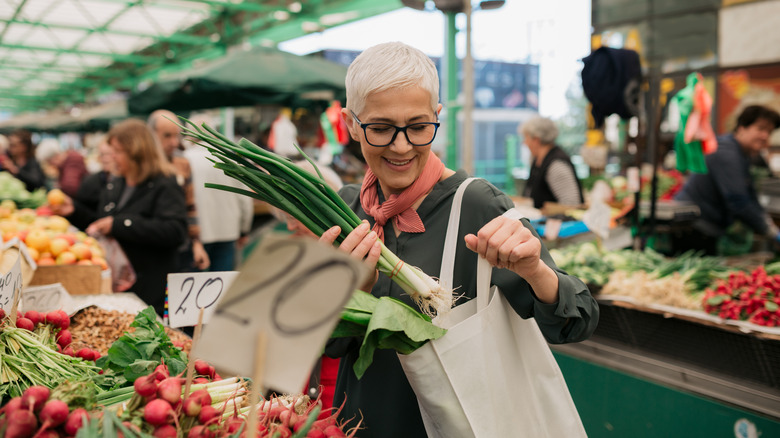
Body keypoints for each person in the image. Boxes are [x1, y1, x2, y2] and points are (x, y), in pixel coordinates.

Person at [321, 42, 599, 438]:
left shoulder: (476, 204)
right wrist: (349, 296)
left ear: (437, 116)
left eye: (418, 127)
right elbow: (326, 347)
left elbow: (578, 321)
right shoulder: (344, 210)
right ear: (351, 123)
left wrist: (536, 271)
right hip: (359, 424)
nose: (402, 146)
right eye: (381, 128)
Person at [51, 119, 188, 317]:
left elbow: (175, 231)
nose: (111, 157)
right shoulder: (116, 183)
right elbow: (102, 223)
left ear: (136, 152)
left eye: (117, 151)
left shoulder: (165, 183)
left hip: (150, 288)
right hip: (120, 286)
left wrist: (120, 224)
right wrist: (74, 210)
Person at [674, 104, 780, 255]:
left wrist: (768, 225)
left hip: (705, 227)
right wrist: (770, 232)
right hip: (694, 228)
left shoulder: (742, 154)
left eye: (769, 132)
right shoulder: (727, 153)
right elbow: (739, 201)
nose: (765, 136)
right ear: (742, 128)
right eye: (760, 128)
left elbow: (750, 196)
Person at [182, 123, 254, 272]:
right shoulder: (229, 159)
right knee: (223, 288)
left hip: (196, 235)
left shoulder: (184, 159)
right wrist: (244, 230)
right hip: (228, 231)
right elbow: (245, 199)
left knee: (196, 289)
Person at [148, 109, 210, 272]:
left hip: (180, 249)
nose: (174, 142)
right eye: (167, 135)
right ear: (151, 134)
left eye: (177, 136)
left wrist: (196, 243)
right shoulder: (141, 165)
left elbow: (190, 206)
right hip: (148, 249)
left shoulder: (182, 163)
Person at [520, 115, 584, 208]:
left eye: (526, 138)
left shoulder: (556, 165)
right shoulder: (537, 160)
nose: (524, 143)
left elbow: (572, 203)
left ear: (536, 140)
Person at [74, 137, 116, 215]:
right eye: (102, 154)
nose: (105, 158)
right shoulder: (89, 182)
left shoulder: (127, 183)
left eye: (109, 154)